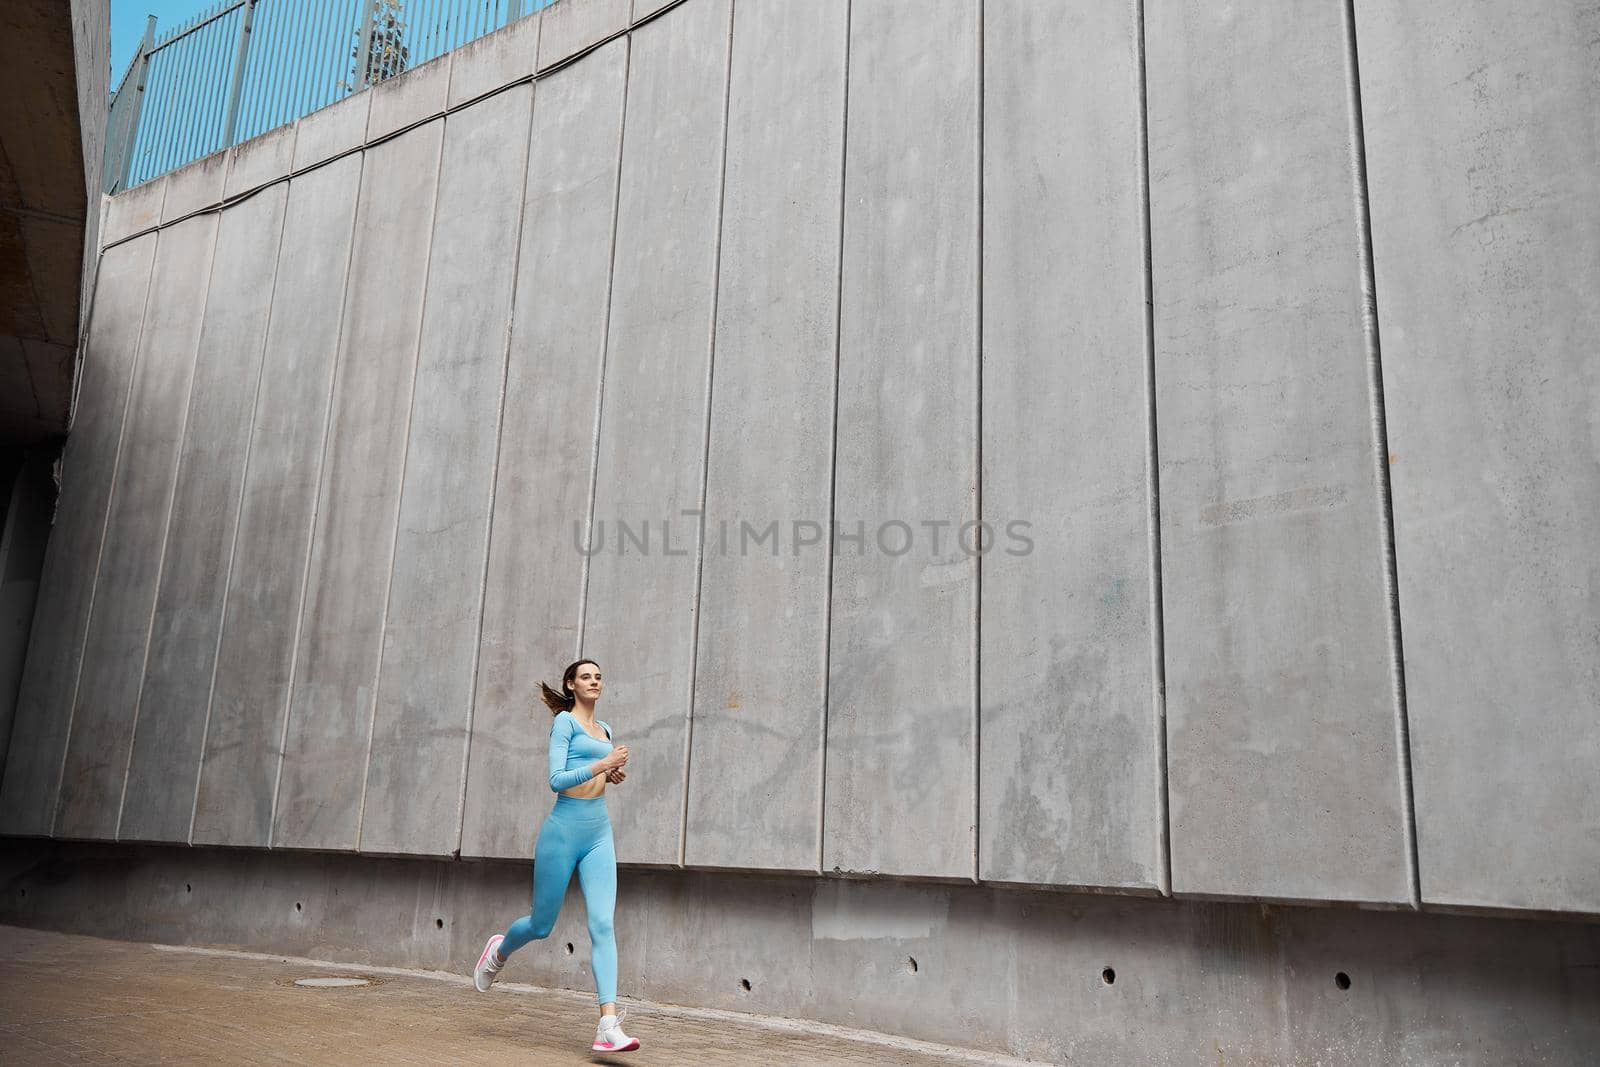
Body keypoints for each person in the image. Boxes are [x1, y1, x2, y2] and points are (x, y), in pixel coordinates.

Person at [472, 658, 639, 1054]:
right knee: (541, 925)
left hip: (599, 833)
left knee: (602, 925)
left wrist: (608, 776)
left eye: (599, 676)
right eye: (586, 676)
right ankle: (499, 950)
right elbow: (556, 780)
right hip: (562, 833)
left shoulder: (605, 730)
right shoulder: (564, 723)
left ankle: (607, 1024)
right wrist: (604, 763)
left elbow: (591, 773)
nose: (594, 681)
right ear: (570, 685)